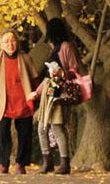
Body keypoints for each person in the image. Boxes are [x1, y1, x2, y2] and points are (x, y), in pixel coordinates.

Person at [0, 29, 37, 174]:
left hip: (22, 101)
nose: (10, 44)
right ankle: (3, 163)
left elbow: (35, 79)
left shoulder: (26, 58)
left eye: (12, 40)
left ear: (17, 42)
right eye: (6, 42)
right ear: (1, 45)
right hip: (3, 102)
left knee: (25, 134)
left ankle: (21, 164)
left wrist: (35, 93)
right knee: (2, 134)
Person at [28, 17, 81, 175]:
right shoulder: (54, 49)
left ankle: (65, 163)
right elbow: (46, 79)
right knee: (41, 127)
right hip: (47, 93)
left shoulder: (66, 47)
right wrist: (36, 93)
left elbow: (74, 69)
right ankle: (48, 162)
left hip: (59, 92)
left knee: (57, 127)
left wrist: (62, 73)